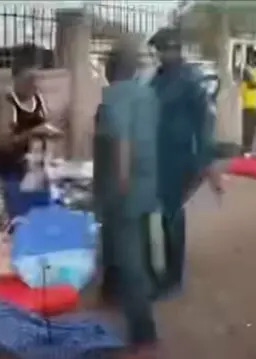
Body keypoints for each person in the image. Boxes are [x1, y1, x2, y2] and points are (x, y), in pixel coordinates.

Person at [93, 41, 160, 358]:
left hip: (123, 188)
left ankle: (143, 332)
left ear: (111, 68)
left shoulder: (114, 95)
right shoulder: (147, 94)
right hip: (146, 184)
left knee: (131, 258)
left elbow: (121, 137)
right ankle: (113, 292)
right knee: (127, 247)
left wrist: (120, 180)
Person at [148, 26, 223, 304]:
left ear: (176, 48)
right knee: (164, 216)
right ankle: (164, 270)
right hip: (159, 155)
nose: (161, 55)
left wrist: (206, 162)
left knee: (172, 216)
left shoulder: (191, 80)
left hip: (181, 158)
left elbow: (204, 124)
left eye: (165, 49)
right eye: (159, 50)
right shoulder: (158, 78)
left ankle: (173, 278)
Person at [0, 61, 60, 219]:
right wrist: (33, 133)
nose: (33, 84)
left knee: (40, 215)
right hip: (12, 170)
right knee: (19, 217)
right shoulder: (6, 102)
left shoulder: (38, 99)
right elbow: (2, 144)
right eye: (28, 79)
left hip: (37, 169)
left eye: (36, 79)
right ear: (15, 78)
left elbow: (45, 125)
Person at [241, 48, 256, 152]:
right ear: (251, 58)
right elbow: (251, 84)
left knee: (253, 131)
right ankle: (245, 151)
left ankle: (249, 150)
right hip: (247, 104)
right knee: (247, 130)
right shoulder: (247, 70)